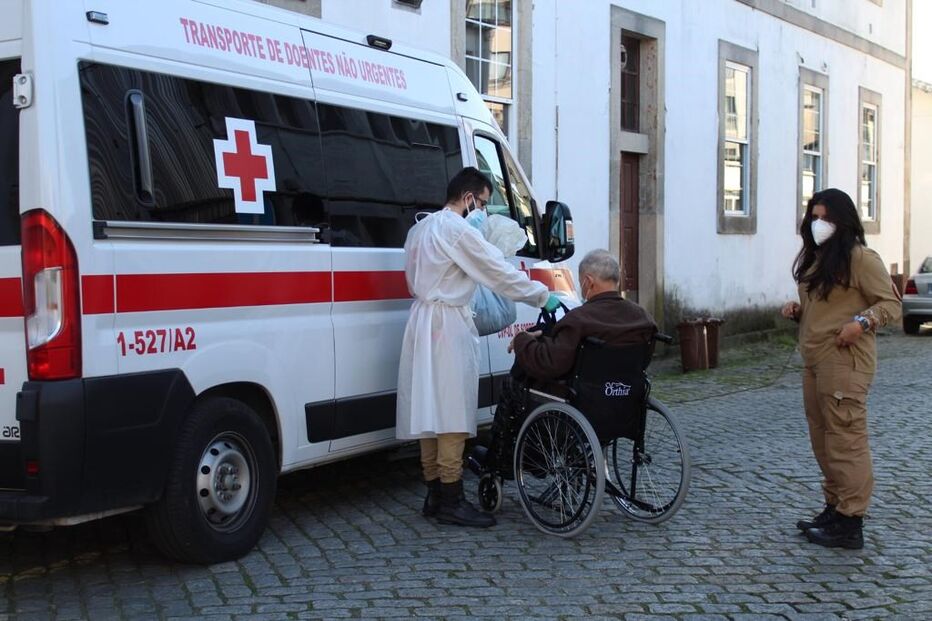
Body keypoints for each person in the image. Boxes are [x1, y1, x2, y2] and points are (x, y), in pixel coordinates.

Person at [396, 166, 560, 528]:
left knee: (428, 409)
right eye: (483, 203)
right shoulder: (455, 230)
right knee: (452, 410)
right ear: (469, 198)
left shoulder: (420, 228)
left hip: (421, 320)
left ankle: (434, 494)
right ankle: (451, 497)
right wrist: (542, 295)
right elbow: (496, 271)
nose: (484, 212)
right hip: (449, 322)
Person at [781, 188, 901, 549]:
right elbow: (826, 306)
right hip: (815, 359)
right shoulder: (818, 259)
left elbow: (891, 304)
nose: (818, 225)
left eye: (825, 218)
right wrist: (798, 311)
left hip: (845, 362)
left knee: (846, 440)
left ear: (843, 221)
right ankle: (834, 507)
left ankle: (851, 520)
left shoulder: (861, 258)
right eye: (814, 217)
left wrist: (862, 323)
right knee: (823, 439)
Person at [477, 249, 657, 478]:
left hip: (583, 403)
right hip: (625, 403)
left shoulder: (581, 319)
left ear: (588, 282)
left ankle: (502, 461)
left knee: (516, 384)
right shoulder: (643, 319)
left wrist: (523, 340)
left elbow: (550, 363)